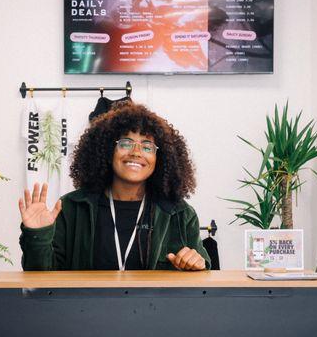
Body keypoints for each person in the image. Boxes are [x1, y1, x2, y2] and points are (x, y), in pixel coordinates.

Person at [18, 103, 210, 271]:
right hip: (85, 312)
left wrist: (197, 264)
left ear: (160, 158)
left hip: (154, 312)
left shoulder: (179, 214)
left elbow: (203, 275)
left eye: (147, 146)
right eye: (126, 143)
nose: (136, 152)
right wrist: (38, 236)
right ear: (108, 149)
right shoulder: (72, 208)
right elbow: (41, 278)